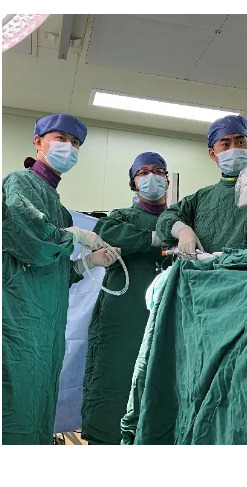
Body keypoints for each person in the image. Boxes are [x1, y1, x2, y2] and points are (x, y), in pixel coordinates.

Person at [2, 113, 120, 444]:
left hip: (46, 332)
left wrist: (87, 262)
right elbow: (33, 243)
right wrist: (77, 235)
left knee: (38, 408)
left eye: (75, 143)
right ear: (38, 142)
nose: (68, 147)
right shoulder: (19, 183)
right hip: (18, 325)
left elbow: (54, 273)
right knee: (15, 407)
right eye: (60, 139)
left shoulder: (59, 207)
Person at [81, 152, 171, 445]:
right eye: (143, 173)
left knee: (164, 380)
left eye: (157, 171)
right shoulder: (120, 218)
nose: (151, 177)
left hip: (169, 313)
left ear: (167, 179)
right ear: (133, 183)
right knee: (116, 378)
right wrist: (153, 239)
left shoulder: (179, 219)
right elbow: (106, 232)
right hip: (124, 315)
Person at [155, 115, 247, 257]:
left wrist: (231, 261)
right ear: (213, 154)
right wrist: (182, 230)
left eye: (240, 142)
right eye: (225, 144)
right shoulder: (201, 198)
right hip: (204, 271)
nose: (234, 148)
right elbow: (166, 218)